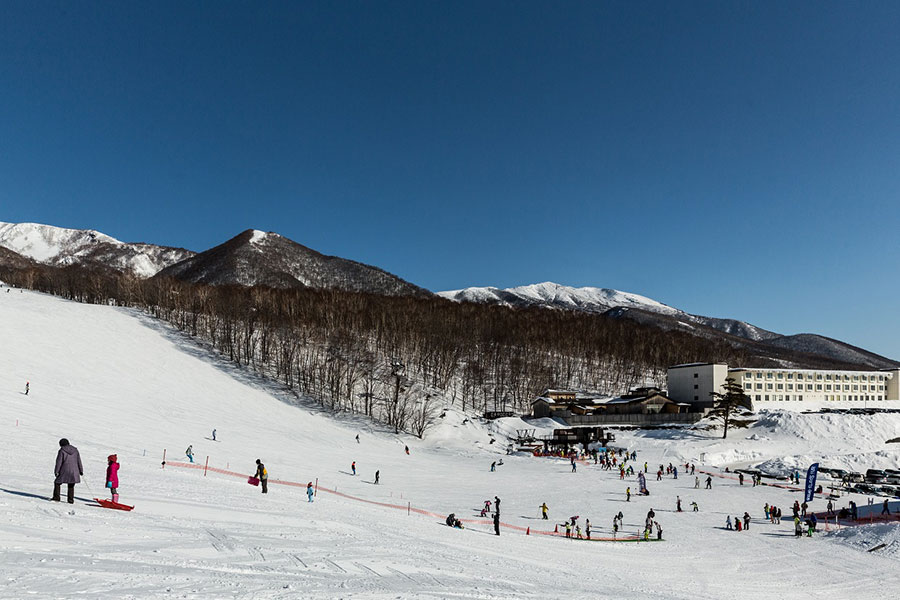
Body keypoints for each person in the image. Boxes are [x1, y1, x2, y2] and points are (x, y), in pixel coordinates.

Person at [53, 438, 83, 504]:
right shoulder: (75, 450)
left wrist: (56, 471)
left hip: (64, 470)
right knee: (71, 485)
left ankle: (56, 497)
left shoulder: (62, 450)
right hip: (75, 471)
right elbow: (79, 461)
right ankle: (70, 500)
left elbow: (59, 462)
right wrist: (81, 470)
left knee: (57, 483)